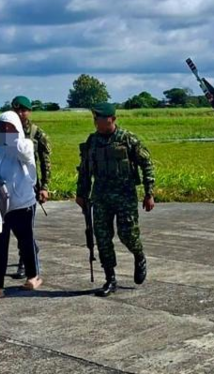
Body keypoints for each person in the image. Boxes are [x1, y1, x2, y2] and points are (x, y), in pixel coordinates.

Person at [75, 102, 155, 297]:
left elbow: (147, 164)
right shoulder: (92, 141)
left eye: (99, 119)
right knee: (102, 239)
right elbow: (84, 169)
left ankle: (139, 255)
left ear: (112, 119)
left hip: (124, 196)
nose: (96, 122)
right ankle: (110, 279)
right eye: (94, 119)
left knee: (127, 235)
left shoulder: (127, 139)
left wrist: (149, 192)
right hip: (101, 196)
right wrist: (81, 193)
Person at [0, 111, 43, 301]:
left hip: (22, 204)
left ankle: (33, 276)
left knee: (26, 242)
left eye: (8, 127)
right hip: (0, 205)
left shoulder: (25, 145)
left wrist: (12, 136)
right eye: (0, 127)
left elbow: (24, 151)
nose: (4, 131)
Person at [9, 95, 51, 280]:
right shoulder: (4, 131)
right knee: (13, 227)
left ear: (29, 111)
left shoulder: (36, 134)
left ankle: (25, 262)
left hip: (29, 187)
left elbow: (45, 162)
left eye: (23, 110)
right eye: (16, 110)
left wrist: (44, 187)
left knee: (25, 227)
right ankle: (29, 253)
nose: (20, 113)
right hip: (10, 187)